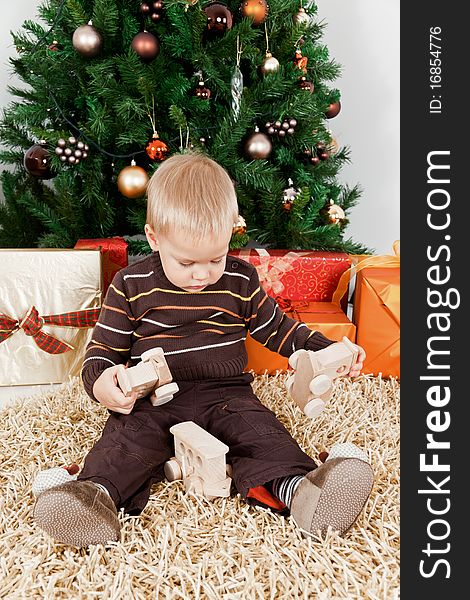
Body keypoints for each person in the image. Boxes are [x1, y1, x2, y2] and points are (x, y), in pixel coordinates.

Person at [33, 152, 373, 547]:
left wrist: (327, 349)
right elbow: (101, 354)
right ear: (155, 237)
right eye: (186, 261)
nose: (202, 274)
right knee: (125, 445)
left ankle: (302, 491)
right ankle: (94, 499)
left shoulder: (239, 278)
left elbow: (277, 329)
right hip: (153, 400)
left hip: (227, 394)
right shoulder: (130, 284)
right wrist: (104, 384)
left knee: (264, 435)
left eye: (215, 258)